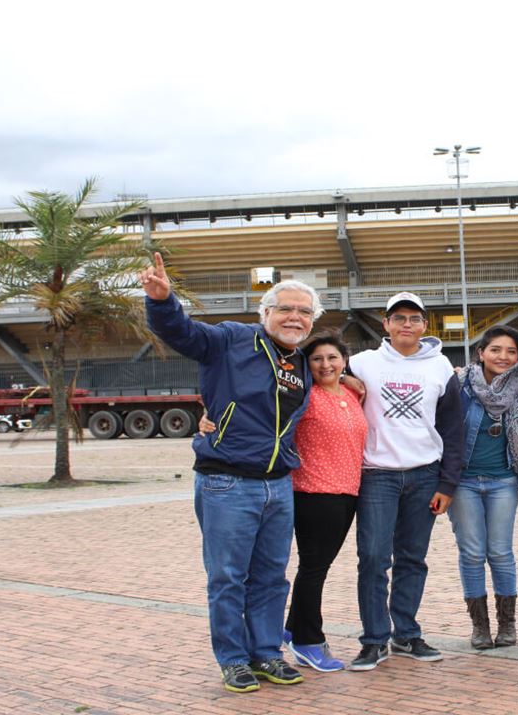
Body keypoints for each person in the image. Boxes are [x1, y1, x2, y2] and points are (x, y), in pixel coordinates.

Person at [142, 252, 313, 693]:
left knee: (272, 577)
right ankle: (234, 659)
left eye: (304, 312)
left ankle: (266, 654)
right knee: (227, 578)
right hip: (227, 482)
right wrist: (162, 302)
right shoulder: (231, 339)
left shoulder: (299, 365)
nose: (295, 317)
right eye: (286, 309)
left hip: (278, 485)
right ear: (266, 312)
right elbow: (182, 333)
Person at [199, 332, 367, 672]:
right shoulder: (304, 395)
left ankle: (289, 631)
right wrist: (208, 415)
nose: (326, 364)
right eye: (317, 359)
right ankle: (306, 639)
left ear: (345, 361)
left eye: (333, 358)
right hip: (312, 491)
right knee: (312, 569)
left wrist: (350, 378)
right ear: (306, 365)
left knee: (310, 569)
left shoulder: (352, 391)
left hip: (347, 492)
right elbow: (257, 407)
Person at [345, 292, 464, 671]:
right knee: (374, 558)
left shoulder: (441, 367)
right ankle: (374, 640)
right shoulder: (363, 363)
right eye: (399, 318)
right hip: (377, 475)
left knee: (412, 558)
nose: (406, 325)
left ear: (425, 325)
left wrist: (447, 485)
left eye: (414, 318)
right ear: (386, 325)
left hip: (424, 475)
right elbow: (326, 382)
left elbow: (453, 428)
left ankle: (406, 634)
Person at [449, 325, 518, 650]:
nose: (503, 357)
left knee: (500, 552)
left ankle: (506, 625)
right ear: (481, 353)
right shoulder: (458, 383)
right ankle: (479, 627)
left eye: (511, 351)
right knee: (471, 553)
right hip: (464, 481)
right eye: (495, 349)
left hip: (503, 480)